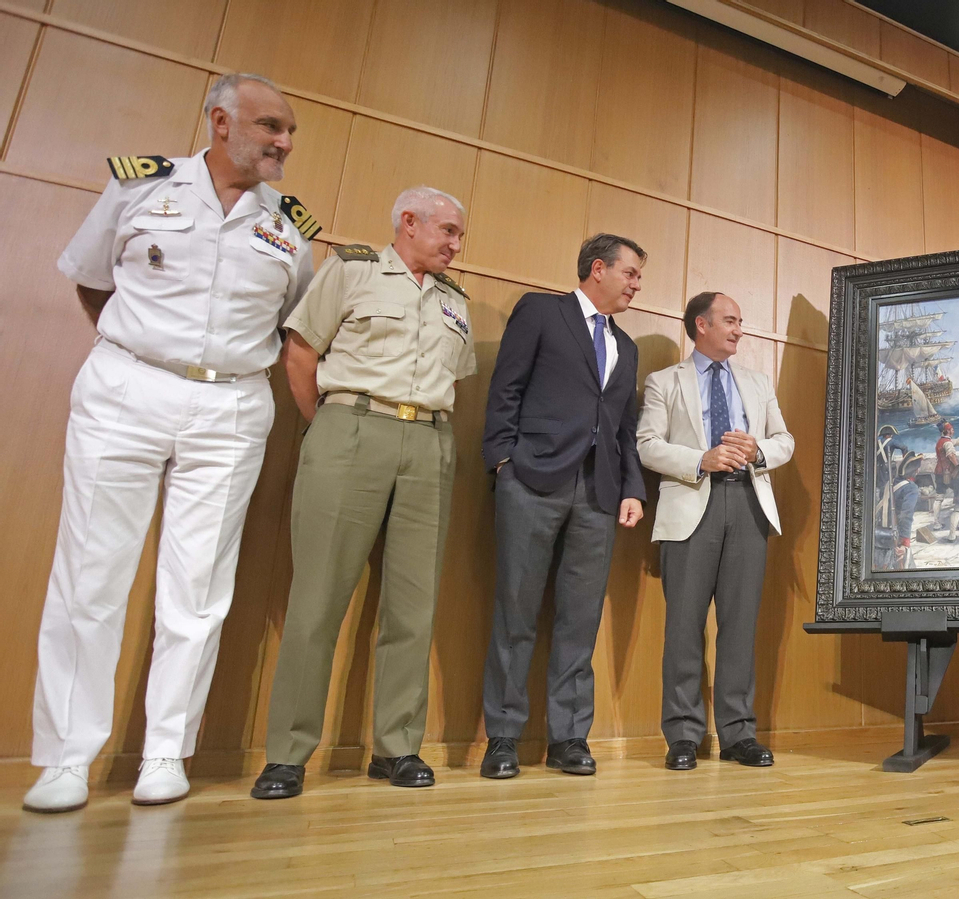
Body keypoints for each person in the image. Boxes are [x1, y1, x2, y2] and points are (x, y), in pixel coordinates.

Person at [26, 74, 315, 814]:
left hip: (231, 404)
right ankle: (66, 758)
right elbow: (93, 281)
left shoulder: (289, 226)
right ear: (221, 121)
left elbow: (287, 322)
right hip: (128, 387)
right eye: (271, 126)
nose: (284, 142)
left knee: (198, 588)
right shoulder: (140, 187)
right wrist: (145, 349)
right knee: (90, 574)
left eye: (288, 131)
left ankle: (165, 751)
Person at [250, 187, 475, 801]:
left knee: (414, 606)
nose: (456, 245)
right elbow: (300, 355)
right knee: (318, 598)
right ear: (409, 222)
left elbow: (454, 378)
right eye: (449, 231)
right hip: (350, 428)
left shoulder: (455, 300)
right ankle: (288, 754)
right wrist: (331, 427)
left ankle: (397, 747)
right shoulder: (350, 270)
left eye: (460, 235)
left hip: (429, 440)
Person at [478, 234, 648, 779]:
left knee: (581, 618)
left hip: (598, 495)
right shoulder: (541, 311)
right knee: (516, 612)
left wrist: (632, 488)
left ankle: (569, 737)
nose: (636, 284)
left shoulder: (627, 347)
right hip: (531, 481)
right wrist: (503, 462)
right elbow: (505, 388)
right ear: (598, 268)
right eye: (630, 273)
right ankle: (503, 738)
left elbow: (624, 429)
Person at [636, 292, 794, 772]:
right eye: (730, 320)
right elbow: (646, 445)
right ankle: (683, 735)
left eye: (740, 321)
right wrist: (700, 460)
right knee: (683, 627)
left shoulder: (758, 383)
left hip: (748, 503)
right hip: (691, 503)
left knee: (740, 626)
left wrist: (757, 451)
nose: (739, 330)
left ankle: (738, 734)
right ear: (701, 325)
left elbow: (785, 441)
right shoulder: (664, 381)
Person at [875, 453, 924, 570]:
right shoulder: (911, 488)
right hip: (895, 538)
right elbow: (906, 515)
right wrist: (905, 542)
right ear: (915, 470)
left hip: (879, 535)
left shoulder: (888, 484)